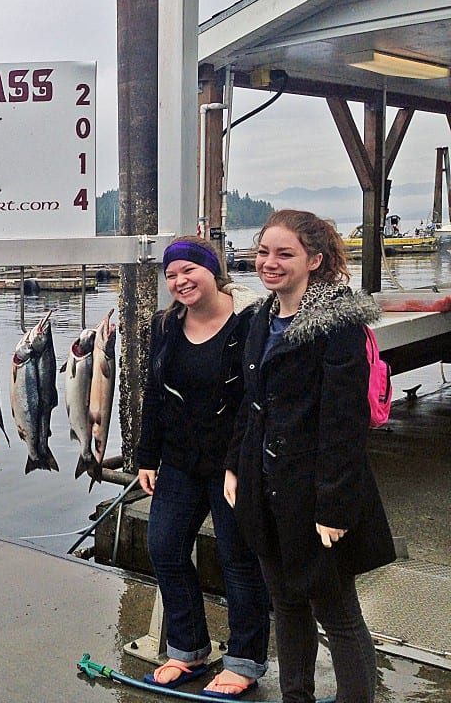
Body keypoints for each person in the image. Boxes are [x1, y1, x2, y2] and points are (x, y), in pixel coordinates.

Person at [224, 209, 396, 703]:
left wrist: (335, 506)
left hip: (316, 493)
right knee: (286, 604)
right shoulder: (258, 319)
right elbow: (250, 403)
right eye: (263, 252)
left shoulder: (336, 326)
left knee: (337, 612)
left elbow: (343, 424)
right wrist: (236, 462)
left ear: (315, 260)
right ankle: (295, 696)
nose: (269, 263)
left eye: (284, 253)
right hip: (265, 488)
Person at [136, 236, 271, 698]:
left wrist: (242, 464)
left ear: (213, 271)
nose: (179, 281)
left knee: (238, 559)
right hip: (179, 461)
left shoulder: (251, 322)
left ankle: (244, 661)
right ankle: (189, 648)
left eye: (188, 270)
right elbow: (153, 393)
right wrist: (145, 457)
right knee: (165, 548)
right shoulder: (166, 325)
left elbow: (259, 402)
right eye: (171, 275)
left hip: (233, 463)